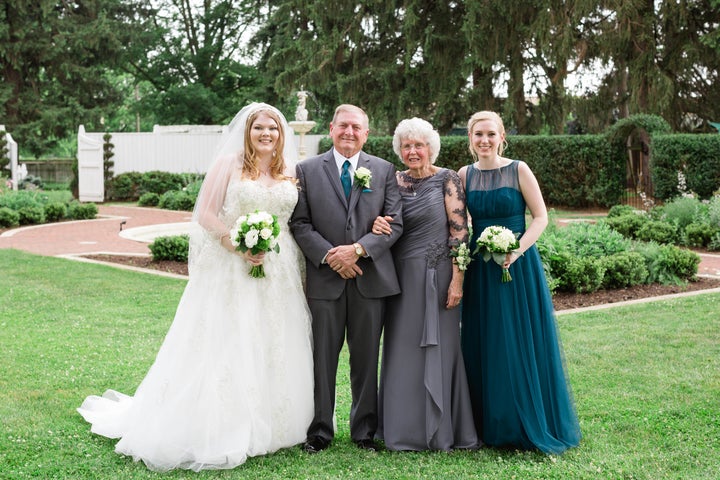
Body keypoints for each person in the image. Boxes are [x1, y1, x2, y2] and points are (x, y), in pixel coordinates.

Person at [77, 103, 314, 471]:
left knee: (274, 339)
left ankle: (275, 423)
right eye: (259, 128)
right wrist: (236, 243)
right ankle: (222, 423)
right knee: (229, 340)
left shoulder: (291, 171)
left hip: (278, 270)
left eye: (273, 128)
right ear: (247, 132)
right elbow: (205, 212)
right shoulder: (230, 165)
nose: (266, 134)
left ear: (282, 134)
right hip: (232, 267)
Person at [458, 110, 581, 454]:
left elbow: (541, 217)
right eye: (478, 134)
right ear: (470, 139)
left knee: (515, 338)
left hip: (517, 267)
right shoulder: (464, 174)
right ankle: (485, 423)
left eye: (490, 134)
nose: (484, 140)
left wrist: (516, 250)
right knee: (485, 339)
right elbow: (455, 220)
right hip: (480, 268)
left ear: (502, 137)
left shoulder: (519, 169)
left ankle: (520, 422)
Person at [290, 104, 403, 453]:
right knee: (322, 358)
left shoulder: (384, 171)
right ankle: (320, 431)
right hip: (325, 282)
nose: (349, 132)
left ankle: (364, 432)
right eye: (343, 126)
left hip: (370, 281)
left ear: (366, 133)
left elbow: (395, 223)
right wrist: (331, 256)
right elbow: (300, 223)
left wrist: (357, 250)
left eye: (356, 127)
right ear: (331, 128)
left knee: (366, 359)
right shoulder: (307, 170)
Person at [371, 118, 479, 451]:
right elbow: (380, 218)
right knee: (401, 351)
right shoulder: (392, 180)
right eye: (407, 146)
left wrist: (457, 279)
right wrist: (375, 222)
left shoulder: (447, 179)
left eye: (419, 145)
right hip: (400, 278)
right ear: (399, 150)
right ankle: (402, 430)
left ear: (431, 147)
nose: (413, 151)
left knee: (441, 350)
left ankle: (443, 431)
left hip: (439, 276)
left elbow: (460, 233)